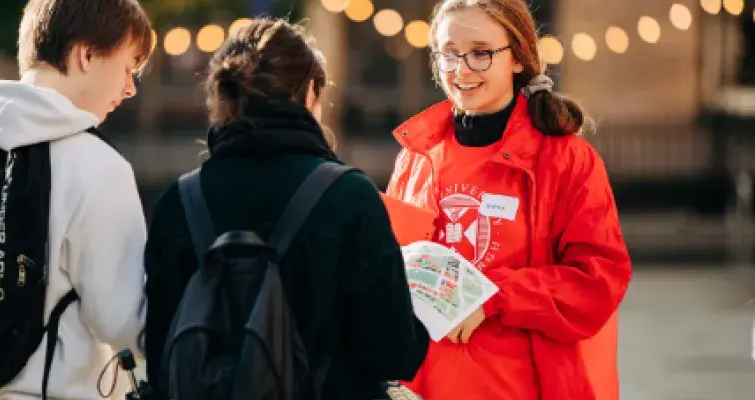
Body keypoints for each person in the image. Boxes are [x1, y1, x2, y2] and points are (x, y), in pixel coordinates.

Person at [142, 17, 429, 399]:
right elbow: (394, 353)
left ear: (220, 98)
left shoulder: (179, 202)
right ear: (310, 93)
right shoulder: (349, 197)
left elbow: (161, 350)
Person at [384, 0, 633, 399]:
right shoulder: (416, 157)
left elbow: (598, 281)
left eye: (480, 53)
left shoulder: (566, 160)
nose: (461, 69)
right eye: (448, 54)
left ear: (518, 58)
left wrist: (492, 298)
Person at [0, 0, 153, 398]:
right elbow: (124, 324)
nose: (129, 88)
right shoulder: (99, 167)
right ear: (86, 55)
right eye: (127, 67)